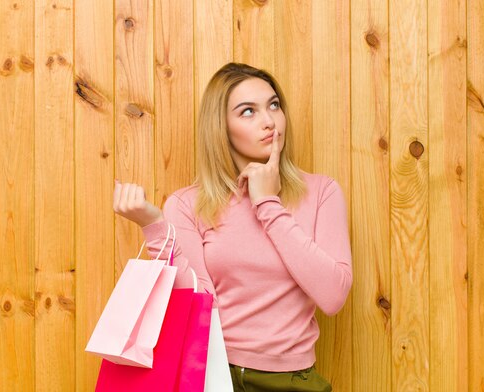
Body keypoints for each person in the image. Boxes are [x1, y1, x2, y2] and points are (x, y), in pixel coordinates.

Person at [113, 62, 352, 392]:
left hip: (293, 380)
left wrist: (268, 203)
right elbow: (198, 305)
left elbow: (333, 295)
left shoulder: (322, 192)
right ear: (221, 127)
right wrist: (153, 226)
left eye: (273, 105)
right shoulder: (187, 204)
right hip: (213, 374)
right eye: (248, 111)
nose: (269, 121)